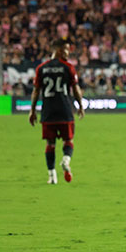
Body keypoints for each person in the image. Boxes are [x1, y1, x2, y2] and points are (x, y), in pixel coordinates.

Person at [29, 37, 85, 184]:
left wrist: (32, 110)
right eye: (66, 50)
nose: (68, 53)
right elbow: (75, 89)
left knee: (50, 144)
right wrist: (80, 106)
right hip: (65, 110)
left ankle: (51, 175)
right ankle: (66, 161)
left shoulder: (41, 68)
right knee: (68, 140)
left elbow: (36, 91)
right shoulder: (68, 67)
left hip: (48, 112)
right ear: (59, 50)